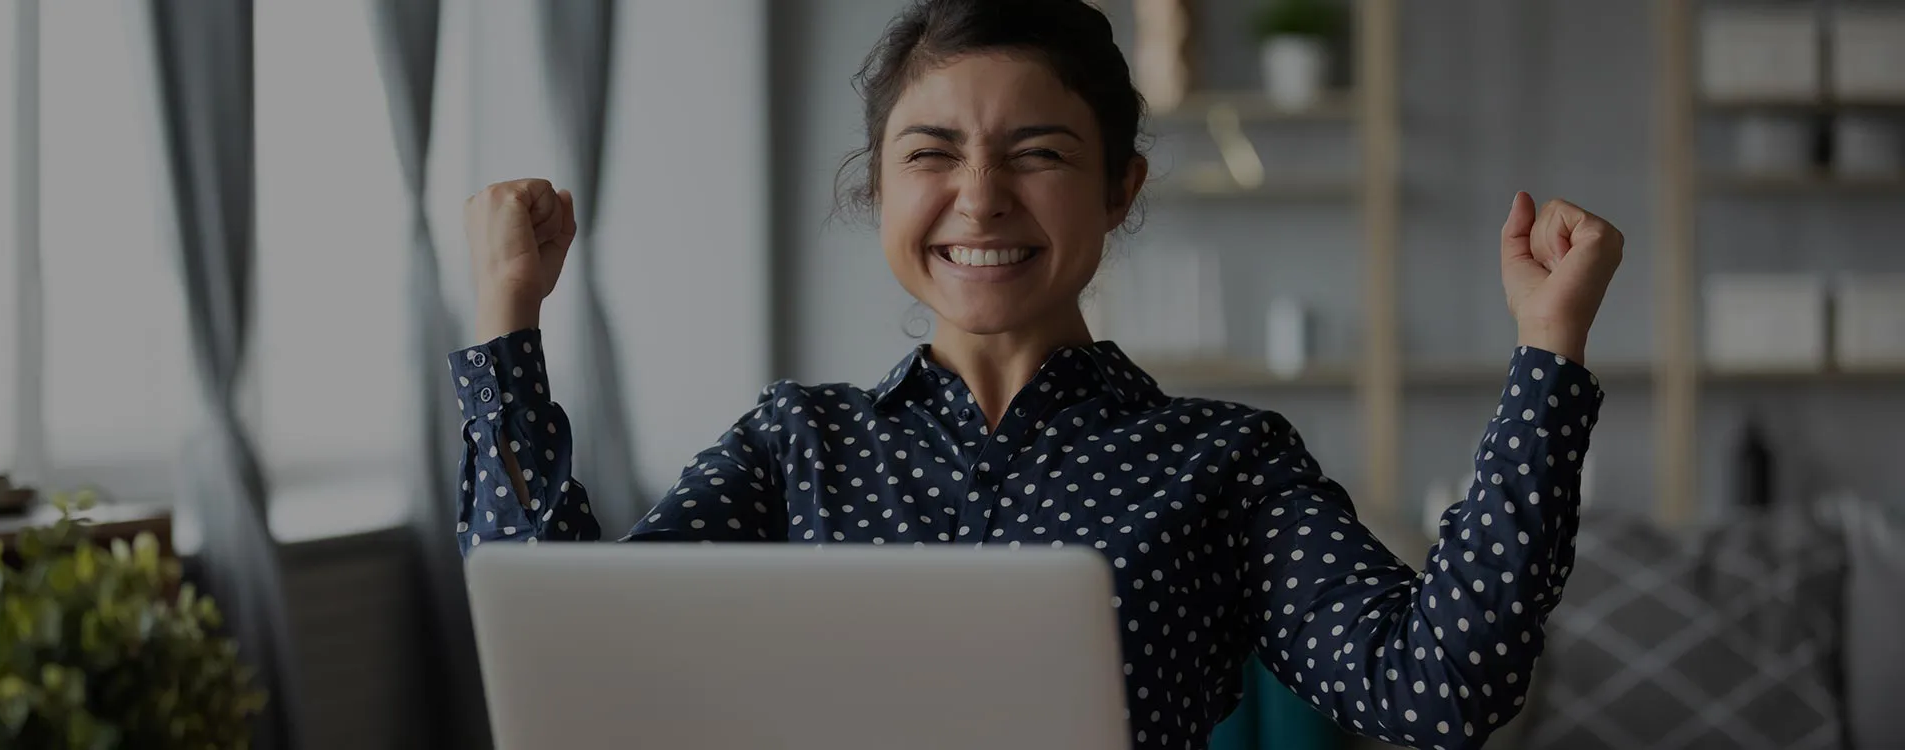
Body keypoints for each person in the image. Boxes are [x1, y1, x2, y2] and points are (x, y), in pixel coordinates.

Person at [447, 0, 1623, 748]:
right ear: (879, 189)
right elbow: (576, 665)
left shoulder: (1226, 462)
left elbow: (1438, 687)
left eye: (1037, 153)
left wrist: (1545, 354)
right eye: (932, 154)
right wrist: (507, 319)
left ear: (1120, 187)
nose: (979, 197)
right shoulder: (792, 446)